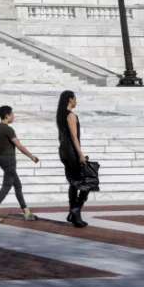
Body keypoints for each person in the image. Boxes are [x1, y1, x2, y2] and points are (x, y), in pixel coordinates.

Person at [0, 105, 39, 222]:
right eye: (12, 114)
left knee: (17, 185)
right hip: (9, 160)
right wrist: (32, 156)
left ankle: (26, 211)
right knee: (7, 185)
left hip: (2, 159)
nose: (13, 117)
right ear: (7, 116)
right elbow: (19, 145)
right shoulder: (8, 129)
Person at [56, 89, 90, 227]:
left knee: (74, 182)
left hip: (64, 150)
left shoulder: (60, 115)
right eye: (75, 98)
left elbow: (61, 136)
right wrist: (80, 154)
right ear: (70, 99)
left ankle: (73, 213)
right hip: (71, 151)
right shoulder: (70, 115)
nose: (76, 101)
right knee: (87, 181)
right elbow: (74, 136)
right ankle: (76, 210)